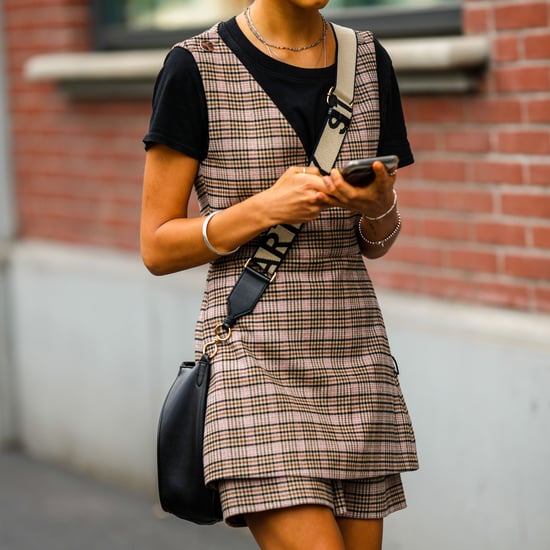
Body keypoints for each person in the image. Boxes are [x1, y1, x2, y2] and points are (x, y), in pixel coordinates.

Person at [140, 1, 418, 548]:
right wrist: (266, 207)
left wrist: (377, 204)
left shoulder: (368, 60)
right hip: (254, 359)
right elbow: (155, 245)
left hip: (354, 356)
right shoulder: (196, 66)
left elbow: (377, 243)